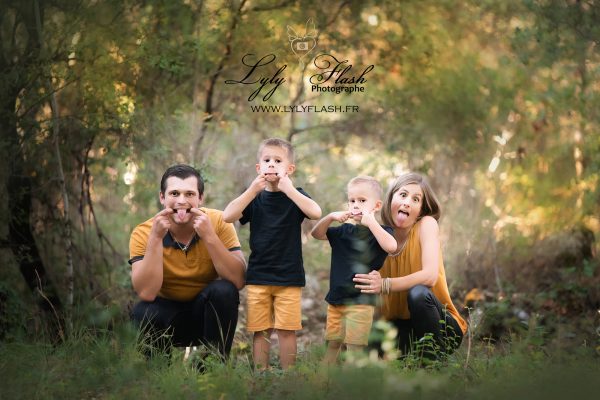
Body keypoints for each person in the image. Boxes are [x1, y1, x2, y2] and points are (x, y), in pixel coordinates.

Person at [223, 137, 322, 370]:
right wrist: (251, 189)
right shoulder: (255, 198)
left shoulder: (295, 196)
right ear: (259, 168)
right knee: (261, 330)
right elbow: (227, 216)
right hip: (258, 276)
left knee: (287, 330)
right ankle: (261, 373)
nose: (271, 164)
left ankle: (288, 375)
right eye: (266, 160)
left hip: (289, 277)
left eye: (278, 160)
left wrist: (290, 190)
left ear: (289, 169)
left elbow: (315, 212)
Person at [129, 164, 246, 360]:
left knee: (224, 290)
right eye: (174, 193)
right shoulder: (144, 232)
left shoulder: (218, 222)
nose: (182, 201)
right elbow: (146, 292)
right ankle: (159, 376)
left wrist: (209, 236)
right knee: (142, 311)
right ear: (162, 198)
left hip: (205, 315)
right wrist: (156, 238)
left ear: (200, 198)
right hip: (166, 316)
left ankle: (212, 368)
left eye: (190, 194)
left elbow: (238, 280)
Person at [353, 172, 467, 359]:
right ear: (390, 200)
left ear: (421, 210)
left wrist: (385, 284)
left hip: (442, 327)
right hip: (401, 327)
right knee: (363, 347)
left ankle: (434, 365)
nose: (407, 202)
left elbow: (429, 276)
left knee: (419, 294)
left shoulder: (426, 225)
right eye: (403, 195)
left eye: (416, 199)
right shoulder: (377, 238)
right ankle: (411, 359)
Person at [311, 176, 397, 364]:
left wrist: (371, 222)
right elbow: (316, 234)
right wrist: (331, 216)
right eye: (352, 201)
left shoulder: (381, 232)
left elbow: (391, 247)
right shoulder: (343, 231)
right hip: (336, 300)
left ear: (376, 206)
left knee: (354, 347)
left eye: (362, 200)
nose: (355, 205)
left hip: (360, 301)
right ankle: (321, 384)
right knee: (333, 344)